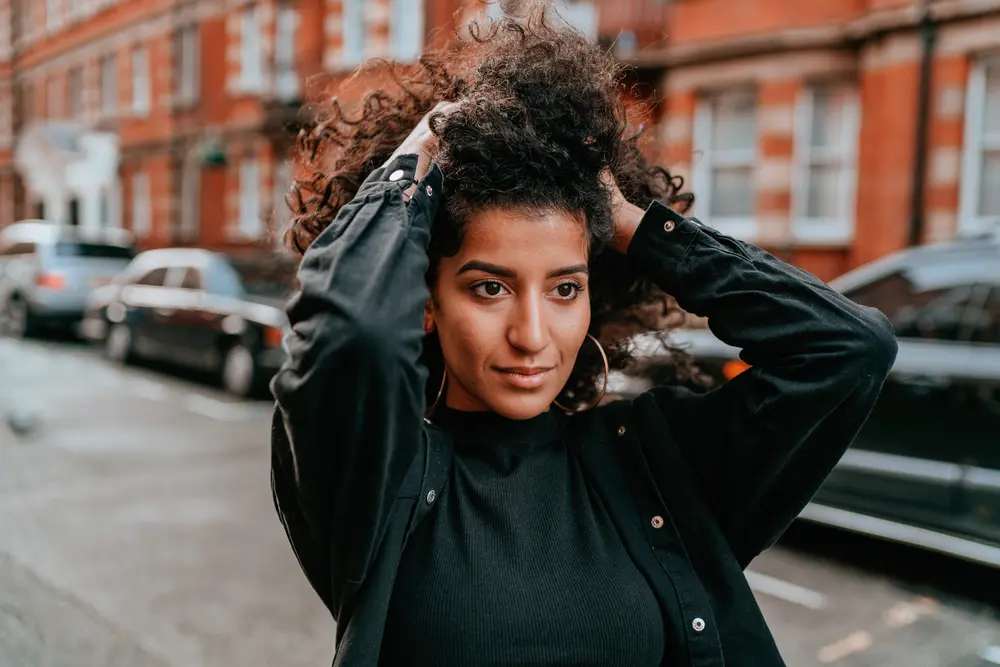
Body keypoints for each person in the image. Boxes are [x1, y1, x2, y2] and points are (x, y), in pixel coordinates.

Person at [269, 6, 898, 667]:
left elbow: (848, 349)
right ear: (427, 303)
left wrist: (629, 221)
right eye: (491, 287)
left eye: (565, 287)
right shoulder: (378, 473)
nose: (533, 335)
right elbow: (351, 331)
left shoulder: (654, 466)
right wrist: (422, 153)